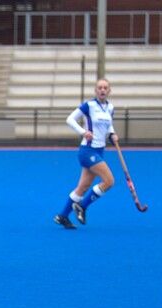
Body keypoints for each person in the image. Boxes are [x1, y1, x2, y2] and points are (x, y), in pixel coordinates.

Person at [54, 78, 118, 229]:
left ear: (109, 91)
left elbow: (108, 126)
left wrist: (112, 134)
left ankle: (62, 216)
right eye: (99, 88)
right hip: (87, 151)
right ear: (96, 91)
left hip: (100, 151)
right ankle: (82, 206)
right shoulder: (89, 105)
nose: (102, 90)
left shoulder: (110, 108)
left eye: (105, 88)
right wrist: (83, 132)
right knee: (109, 181)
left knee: (83, 187)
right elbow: (70, 119)